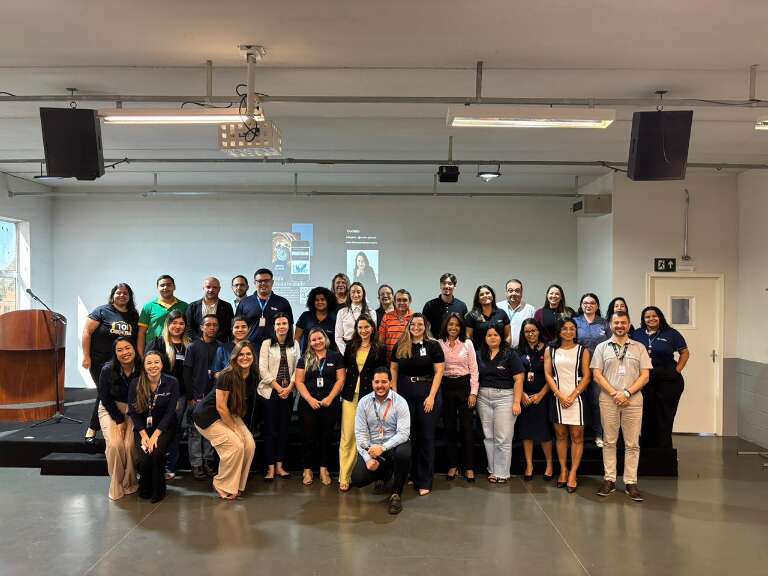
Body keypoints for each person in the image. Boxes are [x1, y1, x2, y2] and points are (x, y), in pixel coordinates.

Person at [592, 311, 652, 502]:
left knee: (632, 443)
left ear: (629, 324)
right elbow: (597, 375)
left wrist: (626, 393)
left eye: (623, 323)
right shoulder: (601, 347)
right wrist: (614, 393)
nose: (620, 326)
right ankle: (609, 480)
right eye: (616, 322)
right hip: (609, 400)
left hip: (633, 401)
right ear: (610, 324)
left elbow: (645, 376)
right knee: (609, 441)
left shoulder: (639, 348)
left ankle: (630, 482)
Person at [193, 341, 257, 500]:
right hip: (208, 416)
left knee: (249, 444)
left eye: (248, 354)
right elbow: (221, 406)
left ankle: (236, 485)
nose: (245, 357)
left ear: (253, 357)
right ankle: (221, 484)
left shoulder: (253, 375)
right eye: (241, 354)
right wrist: (235, 429)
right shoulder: (226, 375)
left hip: (230, 414)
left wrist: (237, 426)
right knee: (235, 445)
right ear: (235, 357)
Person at [390, 313, 444, 495]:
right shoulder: (401, 344)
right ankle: (411, 475)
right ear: (409, 325)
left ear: (425, 326)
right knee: (408, 436)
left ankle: (425, 481)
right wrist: (395, 393)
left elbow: (439, 371)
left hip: (427, 393)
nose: (416, 327)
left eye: (420, 324)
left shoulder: (433, 345)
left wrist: (431, 396)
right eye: (413, 324)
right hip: (404, 393)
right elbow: (394, 368)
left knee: (426, 437)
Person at [81, 283, 139, 444]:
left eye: (125, 293)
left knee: (108, 392)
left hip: (123, 362)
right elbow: (87, 332)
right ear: (113, 294)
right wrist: (86, 356)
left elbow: (135, 339)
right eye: (119, 293)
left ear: (130, 296)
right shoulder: (101, 311)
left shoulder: (133, 315)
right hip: (99, 361)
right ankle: (92, 428)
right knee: (103, 391)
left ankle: (107, 424)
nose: (122, 295)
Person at [351, 367, 412, 515]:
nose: (380, 385)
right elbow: (360, 434)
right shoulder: (364, 403)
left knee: (403, 453)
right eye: (377, 382)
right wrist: (367, 459)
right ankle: (385, 473)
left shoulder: (400, 402)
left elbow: (404, 433)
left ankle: (396, 494)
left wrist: (383, 448)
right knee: (357, 479)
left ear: (390, 383)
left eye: (384, 382)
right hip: (373, 449)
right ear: (372, 383)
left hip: (394, 445)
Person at [339, 315, 388, 491]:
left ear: (372, 328)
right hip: (350, 396)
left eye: (366, 327)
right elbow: (344, 369)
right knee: (348, 436)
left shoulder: (380, 348)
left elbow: (383, 371)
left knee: (373, 437)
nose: (363, 331)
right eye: (360, 328)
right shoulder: (351, 346)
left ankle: (371, 475)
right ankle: (344, 476)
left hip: (371, 397)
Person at [632, 306, 689, 450]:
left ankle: (664, 450)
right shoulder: (637, 334)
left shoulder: (671, 333)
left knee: (665, 416)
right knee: (646, 415)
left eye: (654, 316)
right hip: (646, 380)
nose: (651, 319)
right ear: (643, 320)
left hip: (668, 380)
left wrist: (676, 371)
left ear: (660, 317)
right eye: (647, 317)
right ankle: (647, 450)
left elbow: (685, 352)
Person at [545, 318, 591, 493]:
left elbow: (587, 376)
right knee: (561, 435)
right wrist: (559, 395)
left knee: (577, 436)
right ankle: (563, 470)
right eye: (565, 328)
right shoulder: (551, 350)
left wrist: (572, 396)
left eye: (572, 328)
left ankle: (573, 473)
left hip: (577, 399)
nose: (569, 331)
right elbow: (548, 374)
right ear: (559, 331)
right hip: (558, 398)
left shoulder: (582, 351)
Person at [295, 327, 346, 486]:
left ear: (325, 339)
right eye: (313, 339)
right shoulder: (305, 358)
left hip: (329, 403)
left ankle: (324, 469)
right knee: (308, 437)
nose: (317, 342)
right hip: (308, 403)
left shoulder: (336, 357)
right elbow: (299, 381)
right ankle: (307, 469)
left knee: (326, 437)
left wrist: (330, 398)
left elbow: (340, 380)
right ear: (309, 342)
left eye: (320, 338)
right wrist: (310, 399)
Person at [128, 350, 179, 503]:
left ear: (162, 364)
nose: (153, 366)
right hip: (143, 427)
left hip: (165, 426)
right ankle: (145, 488)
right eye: (149, 363)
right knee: (144, 458)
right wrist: (144, 436)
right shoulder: (135, 383)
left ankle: (159, 491)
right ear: (144, 366)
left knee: (156, 453)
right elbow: (133, 412)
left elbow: (170, 413)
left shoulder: (172, 382)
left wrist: (155, 436)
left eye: (156, 362)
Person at [144, 310, 190, 479]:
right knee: (155, 428)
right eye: (174, 323)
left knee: (174, 430)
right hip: (159, 392)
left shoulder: (188, 345)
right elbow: (148, 367)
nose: (177, 326)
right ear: (167, 324)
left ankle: (170, 466)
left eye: (181, 323)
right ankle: (150, 465)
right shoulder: (157, 343)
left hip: (180, 395)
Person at [476, 326, 524, 484]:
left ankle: (502, 473)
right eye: (489, 335)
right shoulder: (480, 354)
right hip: (483, 398)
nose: (492, 337)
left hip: (505, 397)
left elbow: (519, 379)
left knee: (503, 437)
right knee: (489, 436)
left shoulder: (510, 354)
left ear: (501, 337)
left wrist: (516, 402)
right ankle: (492, 470)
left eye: (495, 335)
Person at [97, 337, 142, 500]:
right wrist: (119, 419)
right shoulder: (107, 369)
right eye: (120, 350)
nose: (125, 353)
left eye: (128, 348)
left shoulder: (142, 367)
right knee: (115, 445)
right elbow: (104, 396)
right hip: (110, 409)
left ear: (134, 349)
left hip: (133, 410)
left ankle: (130, 482)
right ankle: (116, 483)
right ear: (115, 354)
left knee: (130, 446)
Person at [258, 313, 300, 482]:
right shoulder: (267, 344)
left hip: (288, 392)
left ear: (289, 326)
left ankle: (280, 466)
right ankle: (269, 468)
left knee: (283, 430)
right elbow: (262, 368)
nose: (281, 326)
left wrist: (290, 387)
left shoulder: (294, 344)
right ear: (273, 326)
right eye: (278, 324)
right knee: (270, 431)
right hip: (270, 392)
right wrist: (277, 387)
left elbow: (299, 367)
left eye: (284, 323)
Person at [438, 313, 479, 482]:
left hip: (464, 387)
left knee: (467, 429)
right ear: (445, 326)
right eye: (450, 325)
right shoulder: (439, 344)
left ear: (461, 327)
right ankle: (452, 466)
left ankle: (469, 467)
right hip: (446, 386)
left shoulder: (467, 343)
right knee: (449, 429)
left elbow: (474, 369)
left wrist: (473, 393)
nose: (453, 328)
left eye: (457, 325)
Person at [515, 318, 554, 482]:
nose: (531, 334)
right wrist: (521, 393)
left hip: (542, 396)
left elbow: (551, 376)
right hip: (524, 396)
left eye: (533, 330)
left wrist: (540, 395)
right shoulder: (518, 351)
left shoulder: (547, 349)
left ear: (539, 331)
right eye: (527, 331)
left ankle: (549, 465)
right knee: (526, 433)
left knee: (544, 433)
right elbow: (515, 375)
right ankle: (529, 465)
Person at [184, 314, 221, 480]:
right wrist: (191, 396)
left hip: (213, 399)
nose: (212, 327)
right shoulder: (192, 347)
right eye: (208, 325)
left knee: (209, 433)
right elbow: (187, 373)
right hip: (196, 398)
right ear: (202, 327)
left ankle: (208, 462)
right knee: (194, 434)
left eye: (215, 325)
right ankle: (197, 464)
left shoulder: (221, 347)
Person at [574, 293, 611, 448]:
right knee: (578, 401)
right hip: (578, 369)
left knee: (597, 402)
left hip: (598, 369)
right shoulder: (575, 322)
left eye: (592, 303)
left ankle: (598, 435)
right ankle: (578, 436)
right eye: (585, 303)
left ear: (597, 306)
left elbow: (611, 343)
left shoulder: (604, 324)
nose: (588, 305)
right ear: (581, 305)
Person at [236, 268, 294, 352]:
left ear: (272, 282)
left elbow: (290, 326)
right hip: (250, 348)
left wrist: (288, 346)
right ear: (254, 283)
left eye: (266, 281)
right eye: (259, 281)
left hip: (275, 348)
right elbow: (237, 326)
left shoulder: (283, 302)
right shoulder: (244, 303)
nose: (263, 283)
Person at [137, 274, 188, 356]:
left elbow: (187, 330)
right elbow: (141, 333)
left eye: (168, 285)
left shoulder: (184, 306)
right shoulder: (149, 306)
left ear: (174, 287)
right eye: (162, 285)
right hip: (153, 350)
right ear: (157, 288)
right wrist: (142, 356)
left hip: (178, 351)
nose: (165, 288)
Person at [186, 276, 234, 342]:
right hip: (197, 345)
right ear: (203, 288)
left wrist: (212, 340)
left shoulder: (227, 306)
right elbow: (188, 327)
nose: (211, 290)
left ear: (219, 289)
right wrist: (200, 340)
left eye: (214, 287)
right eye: (208, 287)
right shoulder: (192, 306)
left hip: (220, 345)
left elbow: (228, 327)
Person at [422, 273, 468, 339]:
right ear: (440, 286)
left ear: (454, 286)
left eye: (450, 283)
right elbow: (425, 327)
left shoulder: (462, 306)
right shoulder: (429, 305)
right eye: (444, 283)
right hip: (435, 345)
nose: (446, 286)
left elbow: (464, 328)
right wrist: (433, 341)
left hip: (455, 346)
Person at [334, 282, 376, 354]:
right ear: (349, 294)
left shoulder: (371, 312)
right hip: (347, 348)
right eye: (353, 292)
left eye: (358, 292)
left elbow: (374, 333)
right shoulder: (342, 312)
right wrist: (346, 352)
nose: (356, 295)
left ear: (363, 294)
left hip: (366, 349)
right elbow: (338, 337)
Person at [465, 284, 511, 350]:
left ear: (492, 295)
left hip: (500, 355)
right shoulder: (472, 316)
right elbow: (468, 337)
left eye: (487, 293)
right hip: (479, 356)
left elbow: (508, 336)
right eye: (481, 294)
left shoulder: (502, 313)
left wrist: (505, 351)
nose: (485, 296)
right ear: (478, 299)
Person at [295, 286, 337, 353]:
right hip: (307, 358)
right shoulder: (305, 316)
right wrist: (297, 356)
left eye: (323, 299)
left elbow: (337, 341)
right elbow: (297, 339)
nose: (320, 302)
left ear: (328, 301)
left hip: (329, 359)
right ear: (312, 302)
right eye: (317, 300)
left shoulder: (334, 318)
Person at [498, 279, 536, 347]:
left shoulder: (530, 309)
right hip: (500, 351)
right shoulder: (498, 307)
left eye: (517, 291)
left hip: (522, 352)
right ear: (506, 293)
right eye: (510, 291)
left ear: (521, 293)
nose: (513, 293)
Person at [379, 289, 414, 354]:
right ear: (394, 302)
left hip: (409, 359)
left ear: (410, 301)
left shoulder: (414, 318)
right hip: (389, 359)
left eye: (405, 300)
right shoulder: (386, 317)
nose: (402, 303)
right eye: (399, 300)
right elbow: (381, 340)